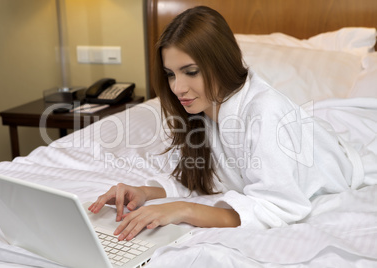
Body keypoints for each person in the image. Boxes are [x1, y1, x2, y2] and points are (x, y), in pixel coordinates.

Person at [88, 6, 376, 241]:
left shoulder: (265, 113)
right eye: (171, 74)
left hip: (343, 159)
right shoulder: (200, 111)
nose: (178, 88)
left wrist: (183, 211)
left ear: (221, 62)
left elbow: (277, 207)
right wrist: (145, 193)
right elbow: (203, 178)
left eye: (191, 72)